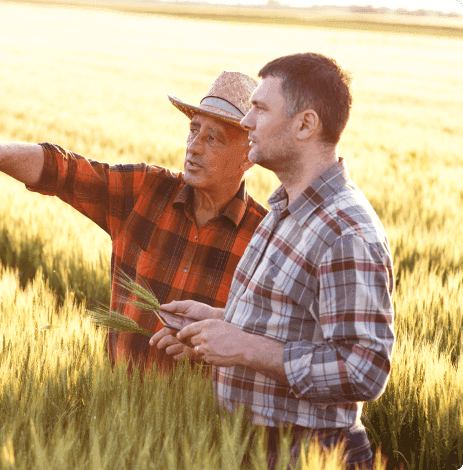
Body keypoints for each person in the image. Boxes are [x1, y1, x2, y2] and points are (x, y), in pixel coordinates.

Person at [0, 72, 268, 374]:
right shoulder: (145, 191)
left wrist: (213, 347)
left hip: (202, 428)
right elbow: (64, 171)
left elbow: (276, 340)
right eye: (193, 130)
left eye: (213, 138)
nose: (194, 147)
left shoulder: (266, 238)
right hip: (118, 405)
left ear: (247, 153)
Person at [150, 53, 394, 469]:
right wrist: (216, 323)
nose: (246, 121)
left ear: (305, 124)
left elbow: (365, 368)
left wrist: (244, 346)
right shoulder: (284, 209)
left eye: (260, 109)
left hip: (311, 455)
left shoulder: (345, 232)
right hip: (255, 450)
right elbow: (293, 321)